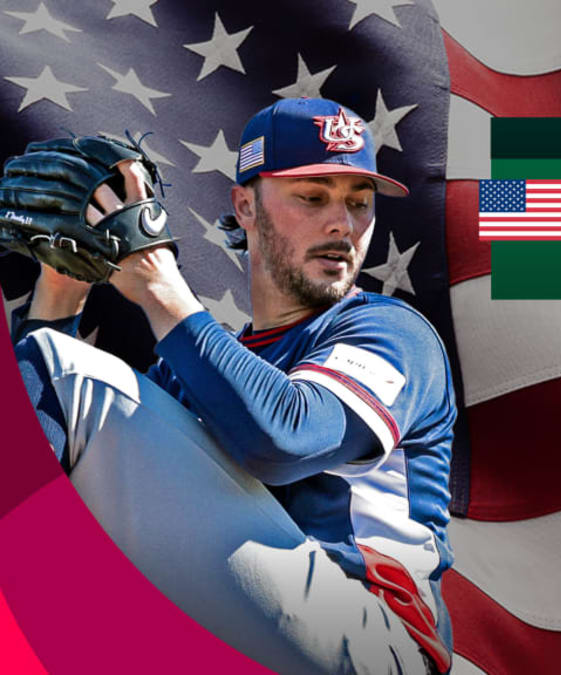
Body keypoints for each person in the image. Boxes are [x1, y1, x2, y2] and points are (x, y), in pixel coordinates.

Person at [11, 98, 455, 674]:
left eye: (359, 202)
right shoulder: (194, 363)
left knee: (64, 368)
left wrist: (158, 284)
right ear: (245, 206)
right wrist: (61, 287)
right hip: (244, 633)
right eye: (313, 196)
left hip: (377, 641)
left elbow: (284, 440)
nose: (342, 224)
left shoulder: (390, 331)